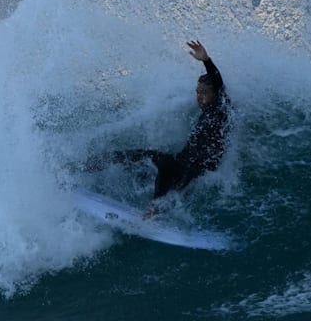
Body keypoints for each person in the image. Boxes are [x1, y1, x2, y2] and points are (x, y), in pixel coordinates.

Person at [94, 40, 231, 202]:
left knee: (166, 167)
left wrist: (206, 61)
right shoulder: (208, 111)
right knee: (132, 158)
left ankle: (155, 210)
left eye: (204, 93)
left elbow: (218, 83)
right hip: (182, 160)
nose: (199, 97)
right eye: (197, 92)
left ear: (215, 94)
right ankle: (75, 168)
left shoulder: (219, 109)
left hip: (197, 168)